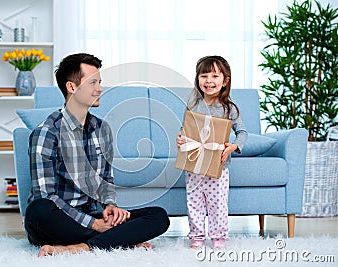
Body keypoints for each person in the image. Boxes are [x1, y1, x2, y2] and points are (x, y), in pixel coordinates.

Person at [24, 53, 170, 257]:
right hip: (60, 220)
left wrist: (110, 206)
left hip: (92, 215)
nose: (100, 88)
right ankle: (117, 240)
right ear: (72, 87)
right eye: (93, 82)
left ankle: (81, 248)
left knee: (158, 216)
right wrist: (94, 225)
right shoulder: (46, 133)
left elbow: (106, 181)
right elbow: (46, 196)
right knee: (38, 210)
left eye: (99, 82)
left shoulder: (103, 129)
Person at [176, 55, 247, 250]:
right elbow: (185, 132)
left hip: (219, 167)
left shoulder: (229, 108)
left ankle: (219, 238)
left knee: (218, 205)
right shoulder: (193, 105)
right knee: (194, 202)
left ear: (225, 81)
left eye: (215, 76)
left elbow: (242, 133)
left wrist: (232, 147)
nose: (209, 81)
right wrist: (180, 139)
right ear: (198, 79)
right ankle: (196, 238)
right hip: (194, 166)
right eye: (204, 75)